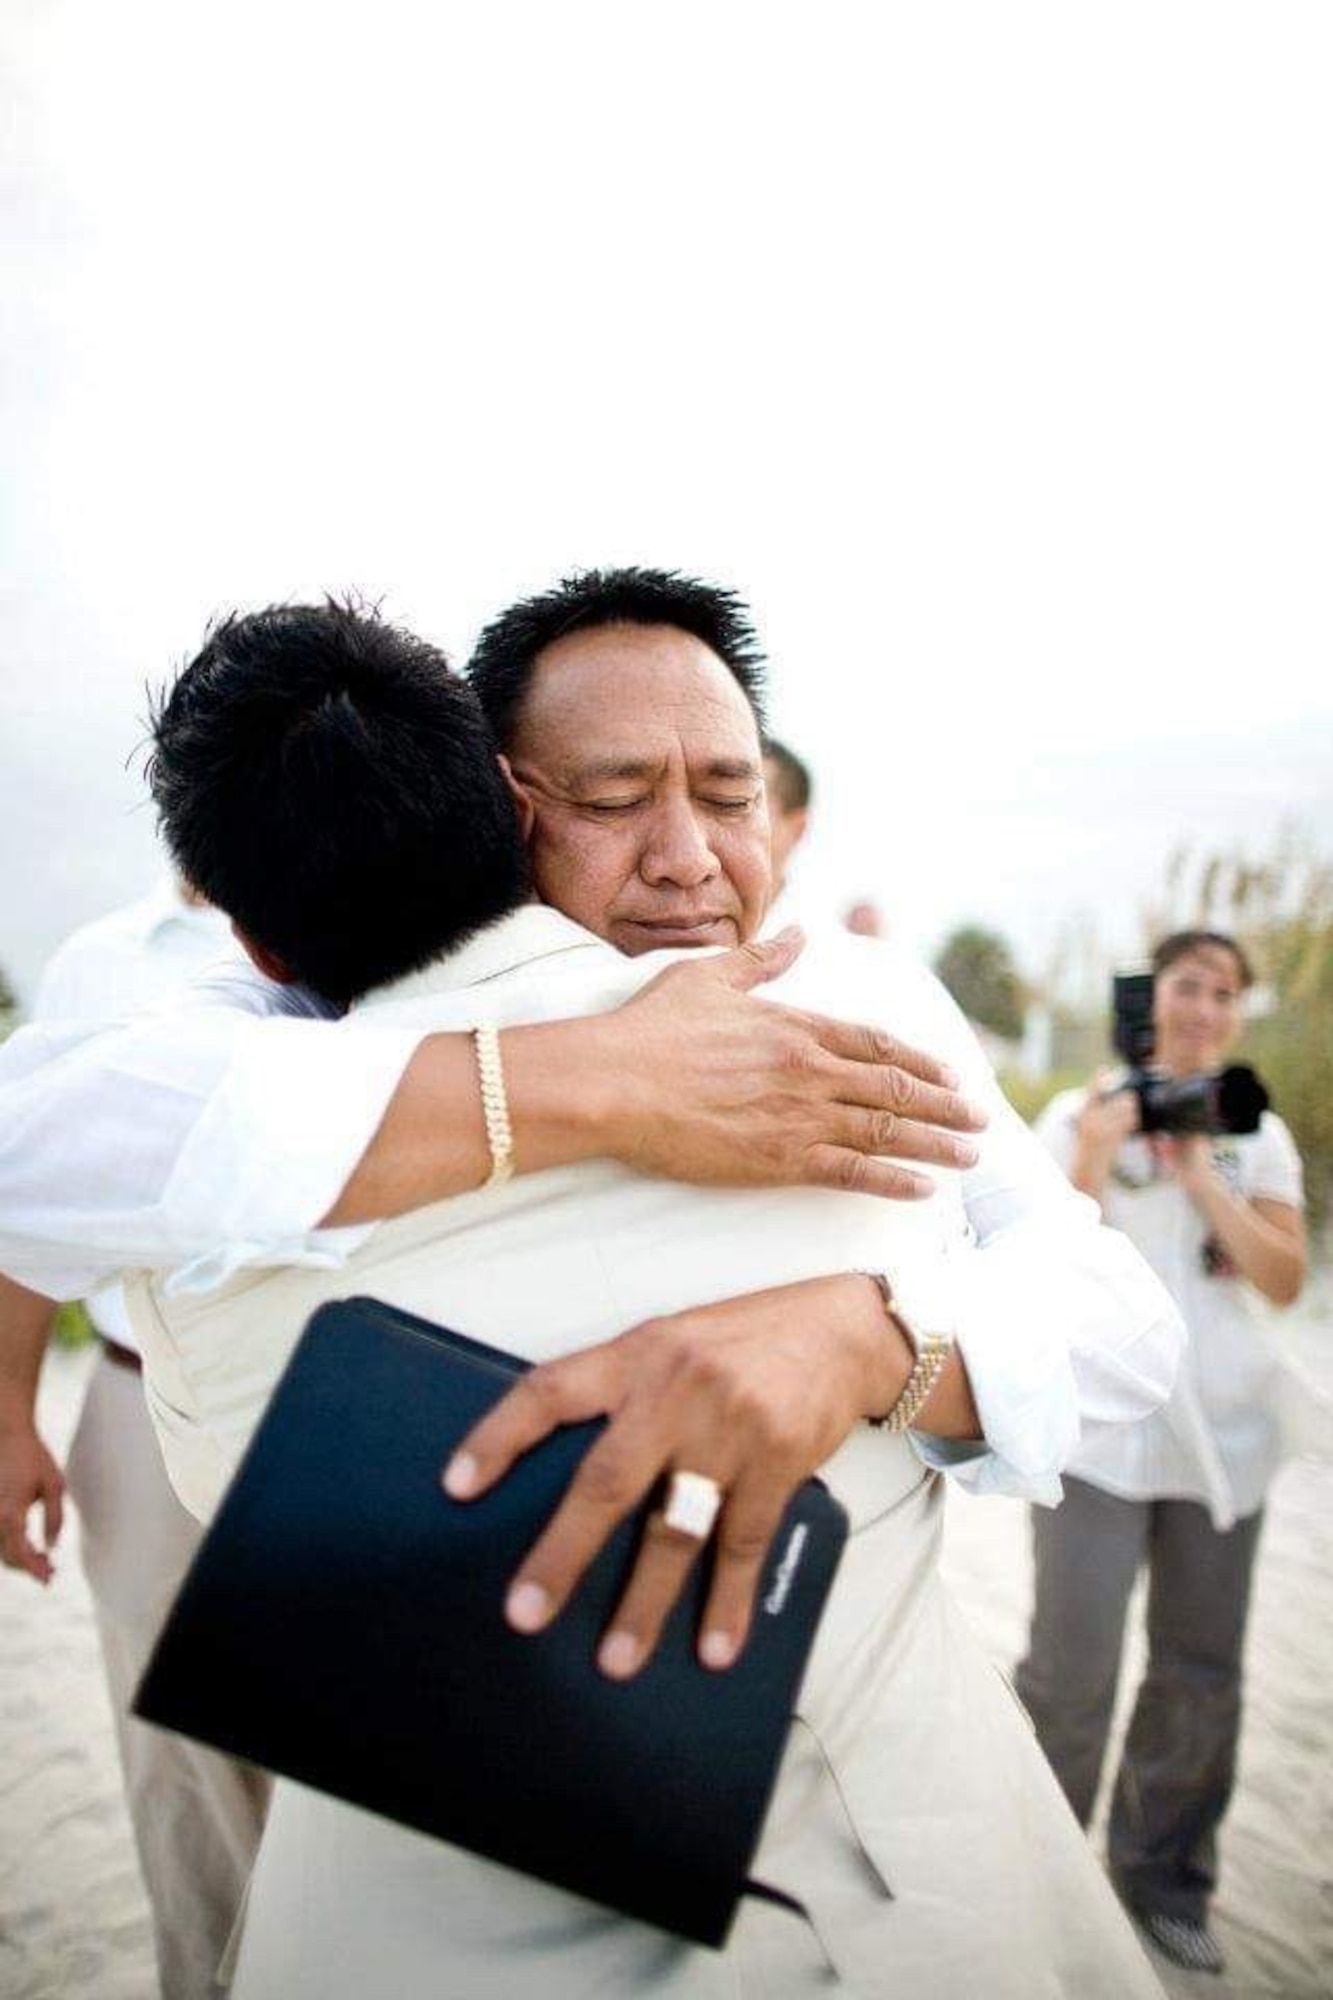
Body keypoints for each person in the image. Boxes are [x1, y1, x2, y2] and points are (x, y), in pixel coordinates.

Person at [82, 589, 1182, 1995]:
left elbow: (1117, 1317)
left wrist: (880, 1341)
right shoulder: (263, 1133)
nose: (691, 861)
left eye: (731, 794)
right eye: (615, 799)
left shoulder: (864, 1021)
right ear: (498, 807)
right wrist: (574, 1087)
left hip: (902, 1885)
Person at [1014, 930, 1308, 1977]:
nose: (1203, 1005)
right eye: (1188, 983)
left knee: (1199, 1670)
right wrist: (1097, 1147)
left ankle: (1163, 1877)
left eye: (1225, 990)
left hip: (1220, 1439)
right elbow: (1038, 1255)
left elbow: (1280, 1275)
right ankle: (1033, 1877)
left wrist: (1199, 1174)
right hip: (1095, 1435)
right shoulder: (1073, 1111)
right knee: (1068, 1668)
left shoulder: (1252, 1130)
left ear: (1236, 1011)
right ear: (1152, 997)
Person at [0, 880, 272, 2000]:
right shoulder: (100, 958)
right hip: (131, 1384)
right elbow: (28, 1196)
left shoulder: (398, 912)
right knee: (174, 1747)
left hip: (344, 1392)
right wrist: (9, 1407)